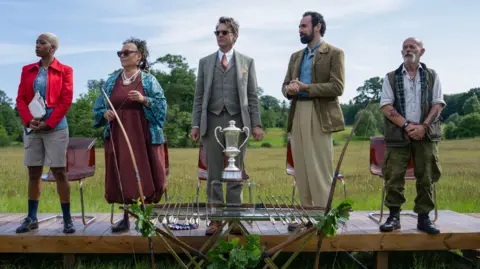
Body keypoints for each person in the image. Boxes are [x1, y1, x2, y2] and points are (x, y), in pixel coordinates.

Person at [190, 16, 264, 236]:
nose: (220, 36)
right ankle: (215, 219)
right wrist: (195, 124)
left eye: (224, 32)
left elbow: (252, 96)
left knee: (235, 172)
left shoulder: (247, 62)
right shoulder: (205, 62)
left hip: (239, 123)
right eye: (217, 32)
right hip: (211, 121)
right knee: (213, 173)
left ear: (235, 35)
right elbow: (198, 96)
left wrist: (257, 123)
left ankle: (234, 219)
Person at [93, 37, 167, 233]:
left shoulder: (149, 80)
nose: (122, 56)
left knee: (144, 172)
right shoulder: (111, 81)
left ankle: (145, 217)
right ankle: (125, 218)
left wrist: (144, 99)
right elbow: (98, 107)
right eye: (120, 53)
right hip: (119, 135)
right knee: (122, 173)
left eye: (127, 53)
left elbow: (161, 107)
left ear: (139, 56)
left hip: (142, 134)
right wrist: (104, 113)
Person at [281, 12, 345, 231]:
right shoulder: (295, 56)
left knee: (319, 167)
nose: (300, 30)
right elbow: (285, 86)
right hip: (298, 110)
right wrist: (289, 89)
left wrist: (307, 87)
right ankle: (306, 216)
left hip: (320, 114)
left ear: (317, 27)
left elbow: (337, 87)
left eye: (304, 26)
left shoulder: (334, 53)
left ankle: (322, 218)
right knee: (302, 166)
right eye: (299, 26)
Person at [379, 37, 445, 234]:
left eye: (412, 46)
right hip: (398, 135)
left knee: (426, 176)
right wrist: (408, 126)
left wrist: (423, 127)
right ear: (401, 53)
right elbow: (385, 105)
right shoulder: (390, 77)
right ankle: (394, 217)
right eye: (405, 48)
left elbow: (438, 103)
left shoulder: (433, 75)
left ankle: (424, 219)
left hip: (426, 135)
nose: (408, 50)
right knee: (393, 177)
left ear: (421, 51)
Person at [15, 33, 74, 234]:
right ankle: (31, 218)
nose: (37, 46)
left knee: (59, 172)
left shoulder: (65, 70)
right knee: (33, 173)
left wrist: (48, 123)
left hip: (55, 128)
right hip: (32, 127)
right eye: (36, 43)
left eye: (42, 43)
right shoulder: (27, 70)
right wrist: (27, 120)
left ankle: (67, 220)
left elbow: (66, 100)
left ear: (53, 48)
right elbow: (21, 99)